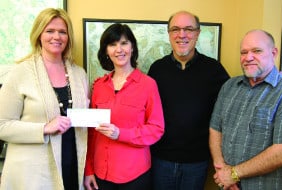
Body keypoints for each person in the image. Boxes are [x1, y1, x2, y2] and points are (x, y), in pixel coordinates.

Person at [0, 8, 89, 190]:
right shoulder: (19, 72)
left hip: (72, 167)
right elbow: (2, 126)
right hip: (32, 174)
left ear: (68, 37)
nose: (56, 37)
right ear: (39, 34)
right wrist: (44, 128)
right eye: (50, 31)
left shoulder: (79, 74)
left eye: (62, 32)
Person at [148, 11, 230, 190]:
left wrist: (279, 79)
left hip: (197, 162)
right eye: (175, 29)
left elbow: (234, 100)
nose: (182, 35)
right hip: (161, 160)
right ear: (169, 34)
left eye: (189, 29)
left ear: (198, 33)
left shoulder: (214, 70)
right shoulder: (157, 69)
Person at [209, 29, 282, 190]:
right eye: (243, 52)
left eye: (256, 51)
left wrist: (233, 174)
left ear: (274, 52)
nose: (248, 57)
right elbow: (215, 128)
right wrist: (221, 169)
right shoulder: (229, 86)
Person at [84, 23, 164, 190]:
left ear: (132, 47)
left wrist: (121, 133)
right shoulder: (98, 86)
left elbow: (156, 129)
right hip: (101, 173)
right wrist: (89, 170)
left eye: (124, 43)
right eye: (112, 44)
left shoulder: (148, 85)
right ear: (106, 51)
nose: (119, 49)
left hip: (134, 175)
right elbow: (91, 133)